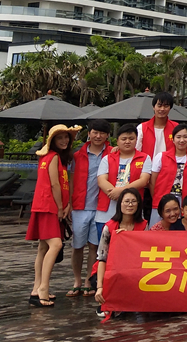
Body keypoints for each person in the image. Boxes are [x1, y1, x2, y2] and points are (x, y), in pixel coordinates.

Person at [28, 124, 79, 307]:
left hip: (43, 205)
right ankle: (43, 288)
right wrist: (61, 207)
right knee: (55, 244)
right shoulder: (54, 157)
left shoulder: (47, 157)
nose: (64, 140)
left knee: (43, 248)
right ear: (53, 141)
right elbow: (55, 185)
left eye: (66, 137)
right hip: (49, 206)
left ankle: (36, 288)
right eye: (60, 138)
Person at [69, 119, 110, 298]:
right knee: (77, 246)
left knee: (95, 246)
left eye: (102, 133)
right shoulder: (77, 155)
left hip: (101, 207)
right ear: (89, 133)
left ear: (107, 136)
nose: (98, 136)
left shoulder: (111, 154)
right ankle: (77, 280)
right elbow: (70, 180)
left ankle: (88, 280)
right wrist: (68, 203)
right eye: (95, 132)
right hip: (79, 206)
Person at [94, 188, 147, 308]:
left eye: (134, 201)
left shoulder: (144, 225)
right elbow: (102, 258)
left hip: (133, 269)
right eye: (126, 201)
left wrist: (128, 238)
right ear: (120, 204)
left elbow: (144, 253)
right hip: (109, 270)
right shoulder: (109, 227)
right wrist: (100, 287)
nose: (130, 204)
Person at [95, 124, 151, 234]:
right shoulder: (108, 158)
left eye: (131, 138)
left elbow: (143, 180)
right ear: (117, 141)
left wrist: (121, 193)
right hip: (107, 210)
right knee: (105, 246)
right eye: (124, 139)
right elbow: (101, 180)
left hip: (132, 211)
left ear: (136, 140)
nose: (127, 142)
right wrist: (114, 193)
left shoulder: (145, 158)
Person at [148, 123, 187, 227]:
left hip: (183, 202)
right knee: (156, 230)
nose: (181, 140)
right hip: (161, 200)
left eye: (185, 137)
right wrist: (157, 198)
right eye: (178, 137)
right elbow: (153, 181)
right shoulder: (161, 156)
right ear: (173, 139)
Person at [136, 91, 177, 165]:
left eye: (166, 106)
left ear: (170, 108)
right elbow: (135, 150)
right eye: (159, 105)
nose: (162, 109)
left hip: (168, 170)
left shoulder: (176, 128)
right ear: (153, 107)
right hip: (146, 170)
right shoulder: (142, 128)